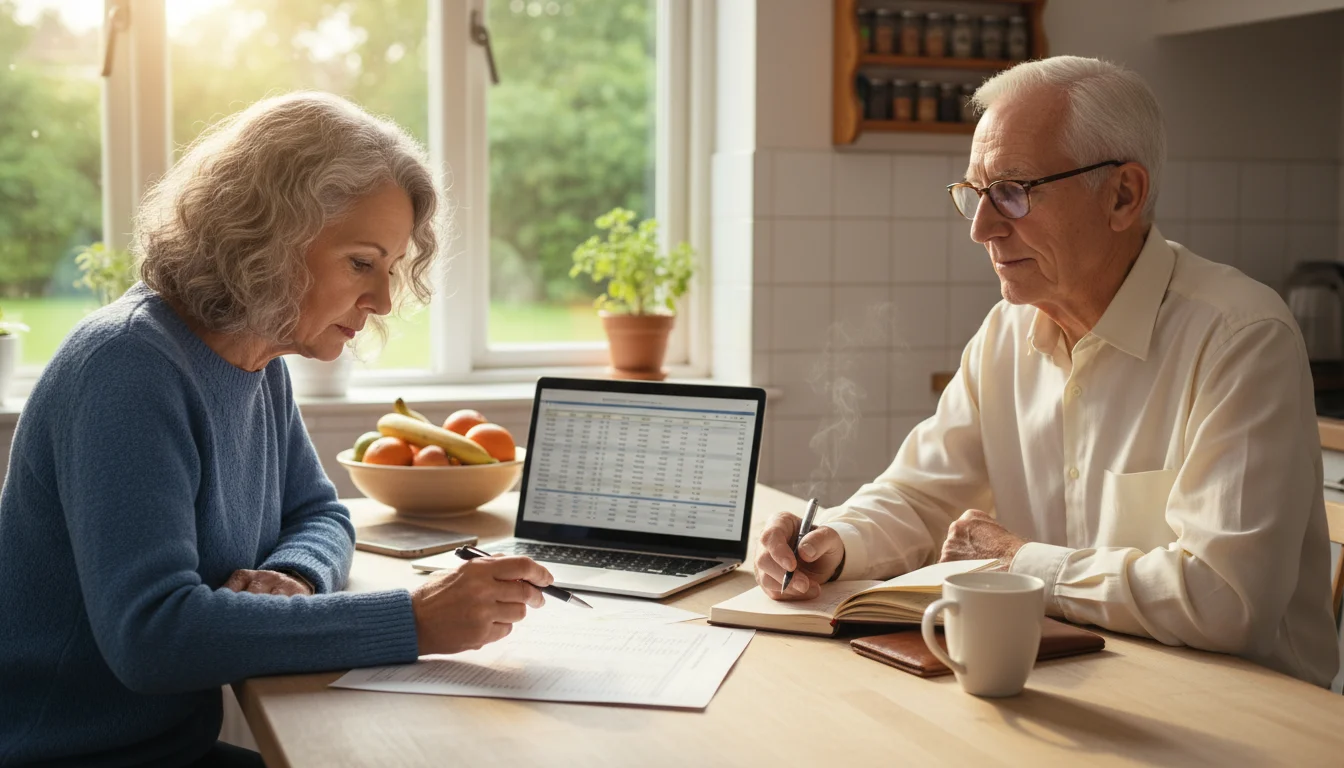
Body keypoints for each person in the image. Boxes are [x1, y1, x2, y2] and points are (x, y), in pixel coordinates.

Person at [0, 92, 554, 766]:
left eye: (389, 269)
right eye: (361, 263)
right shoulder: (129, 368)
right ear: (267, 237)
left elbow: (321, 514)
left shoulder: (258, 360)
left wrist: (291, 575)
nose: (382, 299)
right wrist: (414, 621)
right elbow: (153, 637)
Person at [755, 56, 1339, 687]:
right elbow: (919, 498)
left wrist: (1020, 563)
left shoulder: (1242, 338)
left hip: (1242, 722)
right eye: (975, 194)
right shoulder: (1005, 333)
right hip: (1075, 688)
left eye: (1013, 191)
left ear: (1123, 195)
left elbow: (1225, 601)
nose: (982, 228)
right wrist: (833, 544)